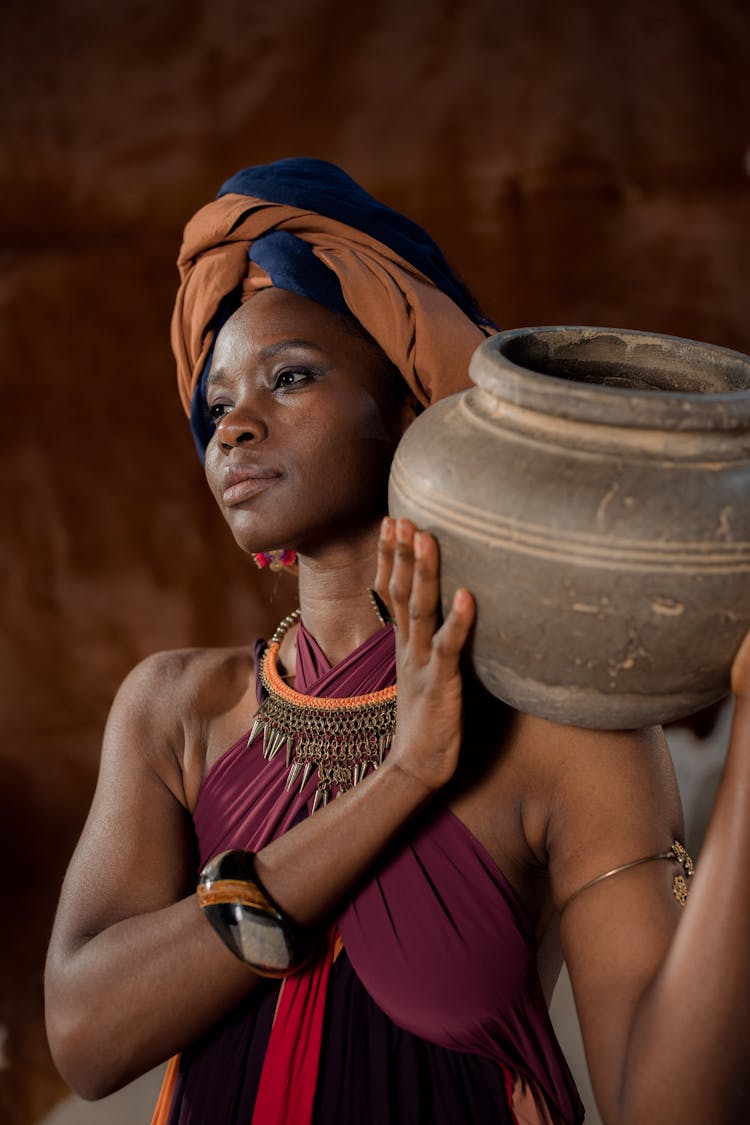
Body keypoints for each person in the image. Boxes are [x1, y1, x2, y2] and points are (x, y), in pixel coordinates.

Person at [44, 158, 750, 1125]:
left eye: (289, 377)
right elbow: (85, 1036)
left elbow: (670, 1106)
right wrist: (404, 779)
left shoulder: (563, 729)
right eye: (215, 408)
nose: (234, 428)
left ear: (413, 410)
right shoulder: (177, 710)